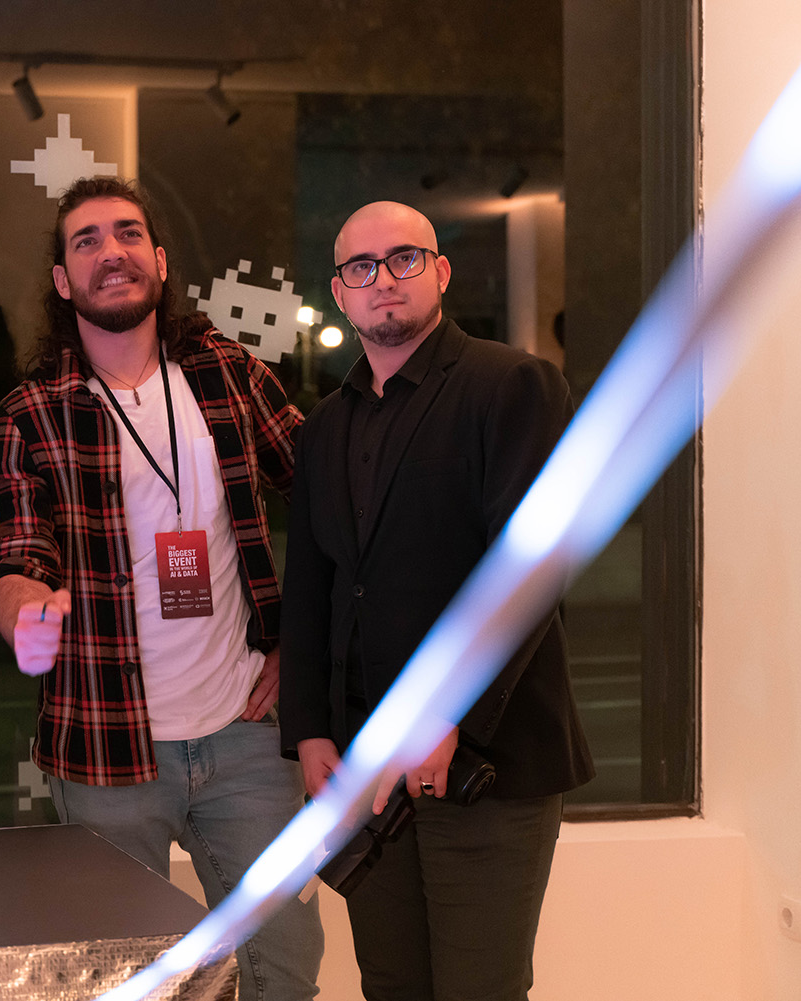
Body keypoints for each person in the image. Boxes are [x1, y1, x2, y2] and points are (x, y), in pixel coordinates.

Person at [0, 176, 323, 1001]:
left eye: (128, 233)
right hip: (106, 747)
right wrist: (27, 616)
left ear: (161, 262)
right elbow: (16, 554)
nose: (112, 252)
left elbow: (330, 502)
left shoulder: (228, 374)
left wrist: (302, 643)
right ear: (63, 280)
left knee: (284, 973)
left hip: (248, 737)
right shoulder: (28, 414)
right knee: (126, 985)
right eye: (87, 240)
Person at [280, 200, 595, 1001]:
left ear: (441, 271)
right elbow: (312, 586)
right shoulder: (324, 427)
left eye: (405, 258)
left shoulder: (513, 385)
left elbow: (530, 570)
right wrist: (310, 729)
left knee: (479, 988)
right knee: (390, 984)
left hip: (487, 762)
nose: (383, 279)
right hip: (363, 768)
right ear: (339, 293)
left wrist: (448, 714)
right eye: (361, 267)